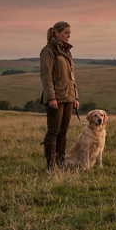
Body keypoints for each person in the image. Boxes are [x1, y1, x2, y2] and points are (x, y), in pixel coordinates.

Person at [40, 21, 80, 170]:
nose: (68, 36)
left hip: (68, 98)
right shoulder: (48, 50)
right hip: (56, 98)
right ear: (56, 33)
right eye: (66, 33)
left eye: (69, 33)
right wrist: (51, 97)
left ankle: (60, 164)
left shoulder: (67, 51)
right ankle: (51, 166)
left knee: (63, 133)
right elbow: (46, 76)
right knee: (53, 132)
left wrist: (75, 97)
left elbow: (72, 77)